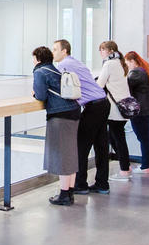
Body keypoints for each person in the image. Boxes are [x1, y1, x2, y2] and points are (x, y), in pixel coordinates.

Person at [53, 39, 111, 195]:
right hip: (103, 103)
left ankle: (80, 185)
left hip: (93, 107)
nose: (53, 53)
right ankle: (102, 184)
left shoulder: (63, 65)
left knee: (80, 146)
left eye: (55, 49)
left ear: (64, 51)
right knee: (101, 146)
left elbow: (58, 86)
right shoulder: (75, 62)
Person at [34, 46, 83, 206]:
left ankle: (64, 195)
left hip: (60, 115)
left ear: (38, 59)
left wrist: (35, 93)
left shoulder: (40, 72)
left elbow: (41, 95)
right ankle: (69, 192)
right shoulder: (56, 70)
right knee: (70, 152)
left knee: (62, 155)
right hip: (74, 111)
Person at [97, 41, 134, 181]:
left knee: (118, 139)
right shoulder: (120, 62)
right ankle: (126, 166)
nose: (101, 52)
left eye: (103, 50)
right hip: (124, 106)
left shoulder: (109, 64)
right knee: (115, 137)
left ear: (111, 51)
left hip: (114, 108)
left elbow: (100, 84)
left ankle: (125, 170)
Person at [123, 51, 149, 175]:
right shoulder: (146, 70)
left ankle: (145, 166)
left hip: (142, 110)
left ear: (132, 61)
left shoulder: (136, 73)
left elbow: (125, 86)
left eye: (127, 63)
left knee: (143, 139)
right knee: (148, 137)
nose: (127, 66)